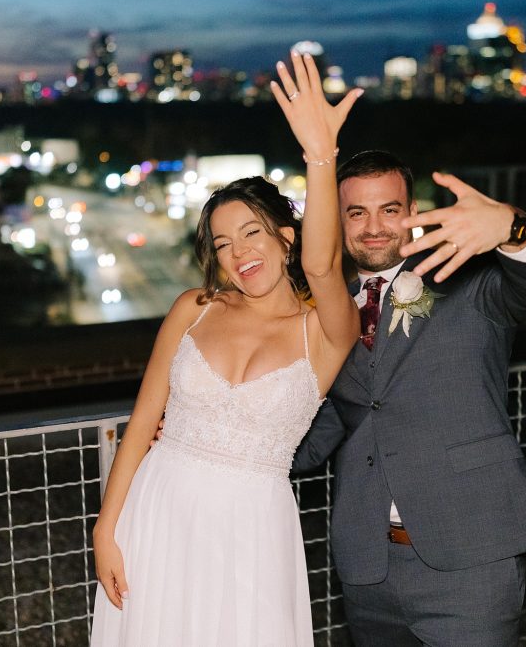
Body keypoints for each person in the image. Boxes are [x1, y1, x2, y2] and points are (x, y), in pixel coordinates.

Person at [89, 51, 361, 646]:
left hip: (250, 531)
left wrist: (320, 156)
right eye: (223, 243)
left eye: (252, 233)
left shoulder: (326, 331)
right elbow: (141, 423)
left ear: (285, 239)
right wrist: (106, 529)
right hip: (157, 511)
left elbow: (326, 263)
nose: (239, 253)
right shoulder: (195, 308)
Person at [291, 151, 526, 645]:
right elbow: (321, 433)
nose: (373, 227)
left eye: (389, 209)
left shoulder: (469, 281)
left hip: (472, 562)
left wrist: (511, 226)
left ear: (413, 212)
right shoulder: (329, 316)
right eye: (357, 212)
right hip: (368, 570)